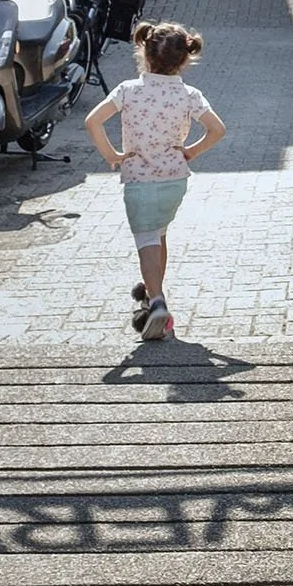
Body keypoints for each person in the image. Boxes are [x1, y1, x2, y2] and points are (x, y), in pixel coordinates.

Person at [82, 20, 225, 343]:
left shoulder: (128, 91)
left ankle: (157, 302)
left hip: (139, 180)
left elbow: (93, 121)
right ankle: (153, 295)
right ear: (184, 60)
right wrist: (191, 151)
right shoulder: (189, 95)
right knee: (159, 234)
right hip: (175, 180)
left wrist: (114, 155)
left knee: (146, 239)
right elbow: (217, 130)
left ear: (143, 53)